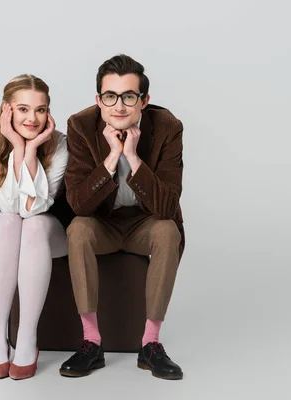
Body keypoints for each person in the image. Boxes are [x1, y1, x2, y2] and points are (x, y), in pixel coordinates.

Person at [59, 54, 185, 380]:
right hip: (102, 222)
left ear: (144, 100)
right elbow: (80, 204)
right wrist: (113, 158)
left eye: (129, 96)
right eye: (110, 96)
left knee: (168, 231)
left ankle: (151, 345)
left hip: (145, 221)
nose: (119, 106)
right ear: (98, 100)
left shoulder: (168, 127)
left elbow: (167, 206)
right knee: (78, 229)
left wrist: (133, 156)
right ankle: (91, 343)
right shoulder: (81, 126)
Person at [0, 74, 68, 380]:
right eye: (23, 109)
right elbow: (9, 206)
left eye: (40, 109)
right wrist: (15, 146)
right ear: (6, 109)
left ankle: (27, 338)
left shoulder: (60, 143)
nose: (32, 118)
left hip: (50, 227)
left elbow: (34, 208)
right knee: (10, 223)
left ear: (48, 111)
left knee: (33, 225)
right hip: (5, 223)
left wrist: (34, 148)